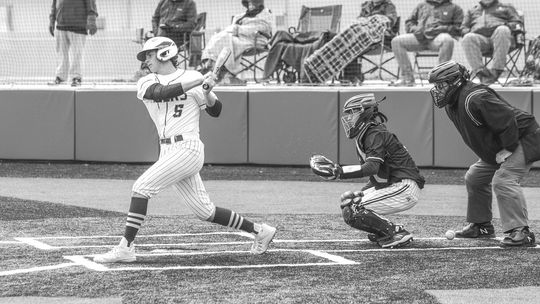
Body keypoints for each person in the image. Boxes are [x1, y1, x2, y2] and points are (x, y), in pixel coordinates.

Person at [93, 37, 276, 263]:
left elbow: (216, 110)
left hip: (188, 147)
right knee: (204, 211)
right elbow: (161, 93)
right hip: (167, 150)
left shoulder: (193, 78)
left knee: (141, 187)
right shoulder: (147, 81)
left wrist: (207, 91)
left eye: (149, 55)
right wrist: (199, 81)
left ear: (163, 53)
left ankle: (126, 247)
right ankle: (261, 231)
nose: (146, 60)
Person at [428, 60, 539, 247]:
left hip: (524, 138)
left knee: (504, 180)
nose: (437, 90)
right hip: (502, 145)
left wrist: (508, 149)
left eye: (441, 85)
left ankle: (521, 231)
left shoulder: (476, 98)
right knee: (475, 177)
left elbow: (508, 120)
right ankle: (482, 225)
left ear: (455, 81)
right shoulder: (452, 104)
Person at [310, 93, 425, 249]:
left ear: (364, 111)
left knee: (354, 208)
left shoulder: (374, 133)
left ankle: (395, 232)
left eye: (353, 112)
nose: (349, 117)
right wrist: (362, 193)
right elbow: (377, 176)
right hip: (394, 184)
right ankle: (383, 230)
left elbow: (372, 168)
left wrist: (338, 172)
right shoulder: (368, 133)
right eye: (348, 113)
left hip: (404, 187)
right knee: (349, 202)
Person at [389, 0, 463, 87]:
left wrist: (441, 29)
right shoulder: (421, 5)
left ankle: (440, 79)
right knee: (396, 41)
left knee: (447, 39)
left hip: (437, 39)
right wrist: (415, 30)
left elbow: (459, 27)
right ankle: (407, 78)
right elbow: (409, 22)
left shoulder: (455, 8)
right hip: (419, 38)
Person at [200, 0, 273, 85]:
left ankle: (226, 72)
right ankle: (210, 64)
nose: (251, 5)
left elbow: (262, 28)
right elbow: (232, 29)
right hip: (239, 38)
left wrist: (237, 29)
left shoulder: (265, 13)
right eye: (249, 3)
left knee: (226, 39)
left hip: (255, 40)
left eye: (253, 3)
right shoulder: (241, 16)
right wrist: (235, 29)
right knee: (217, 37)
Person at [461, 0, 524, 85]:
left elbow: (517, 23)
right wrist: (469, 31)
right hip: (481, 40)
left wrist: (506, 25)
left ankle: (496, 71)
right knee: (468, 37)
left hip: (502, 39)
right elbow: (463, 28)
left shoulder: (506, 6)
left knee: (502, 30)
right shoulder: (472, 10)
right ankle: (482, 73)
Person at [340, 0, 398, 85]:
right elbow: (359, 20)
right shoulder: (366, 6)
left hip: (381, 39)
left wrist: (374, 22)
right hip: (363, 38)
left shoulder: (389, 6)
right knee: (348, 43)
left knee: (353, 46)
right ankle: (350, 76)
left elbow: (390, 20)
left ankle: (354, 76)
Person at [49, 0, 98, 87]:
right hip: (61, 26)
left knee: (77, 54)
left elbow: (91, 4)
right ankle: (60, 77)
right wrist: (52, 20)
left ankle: (76, 77)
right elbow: (54, 5)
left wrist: (92, 20)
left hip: (78, 26)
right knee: (61, 53)